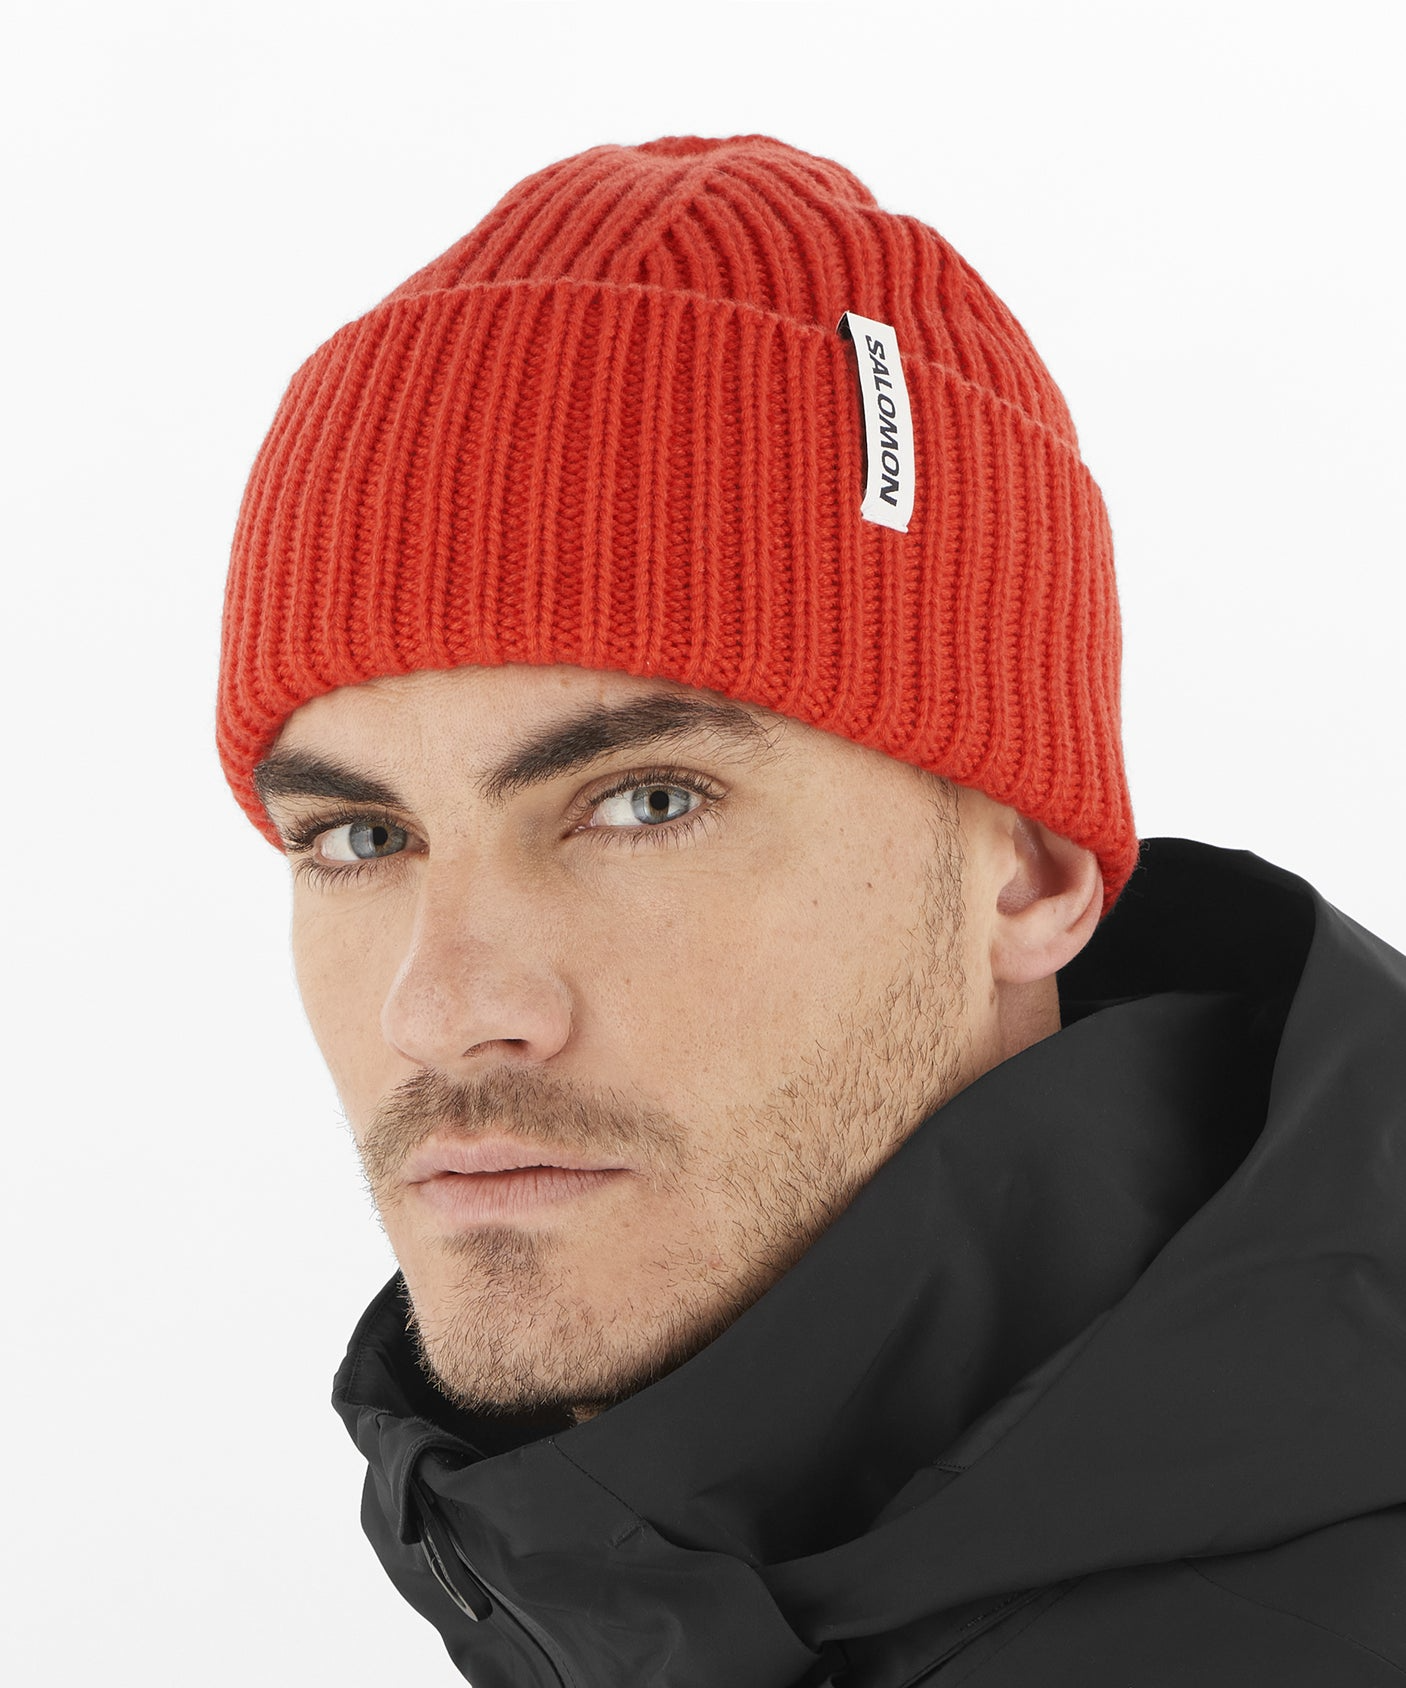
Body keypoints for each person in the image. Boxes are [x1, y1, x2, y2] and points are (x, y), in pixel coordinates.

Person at [216, 136, 1406, 1685]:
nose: (439, 1008)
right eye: (361, 835)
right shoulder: (591, 1573)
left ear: (1029, 869)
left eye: (645, 803)